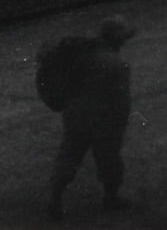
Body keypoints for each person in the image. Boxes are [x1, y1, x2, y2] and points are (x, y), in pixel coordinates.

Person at [47, 15, 136, 221]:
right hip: (103, 120)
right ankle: (111, 198)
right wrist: (119, 125)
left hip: (75, 114)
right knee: (109, 159)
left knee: (69, 155)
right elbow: (121, 101)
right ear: (116, 39)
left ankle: (54, 199)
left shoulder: (82, 54)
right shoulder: (118, 63)